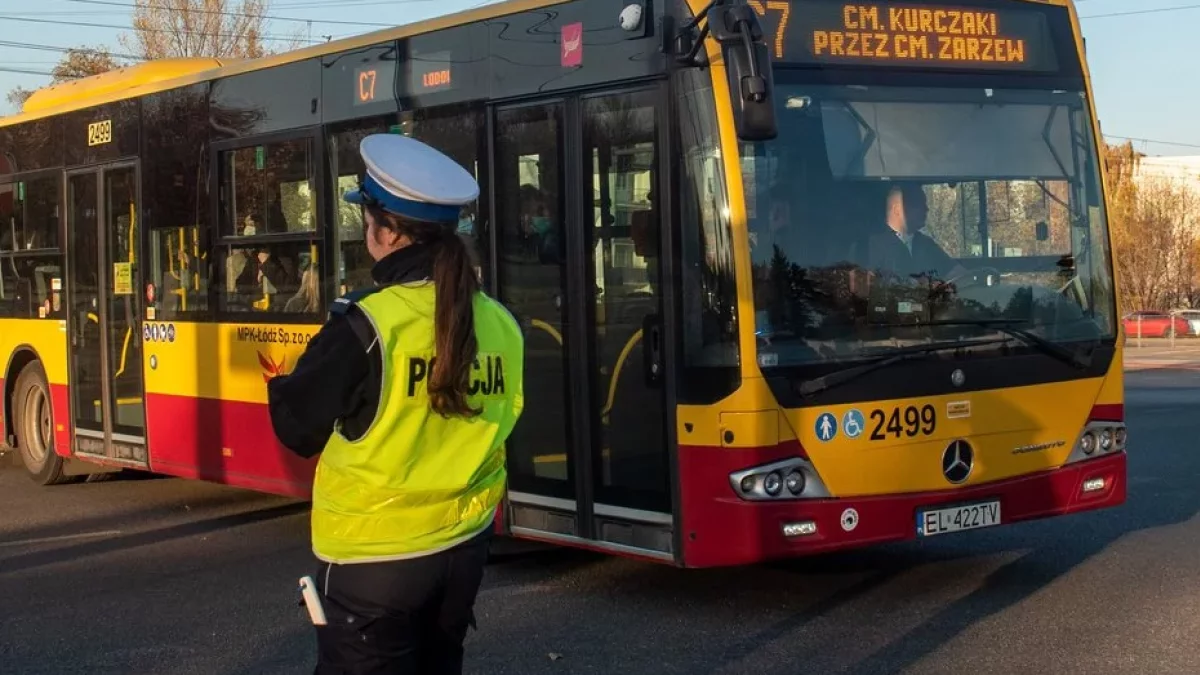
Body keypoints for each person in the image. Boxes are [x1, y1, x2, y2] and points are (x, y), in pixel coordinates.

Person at [265, 133, 526, 674]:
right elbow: (506, 417)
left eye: (368, 221)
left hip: (374, 561)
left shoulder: (365, 323)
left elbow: (297, 429)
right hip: (463, 550)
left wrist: (280, 385)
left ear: (383, 231)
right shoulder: (502, 323)